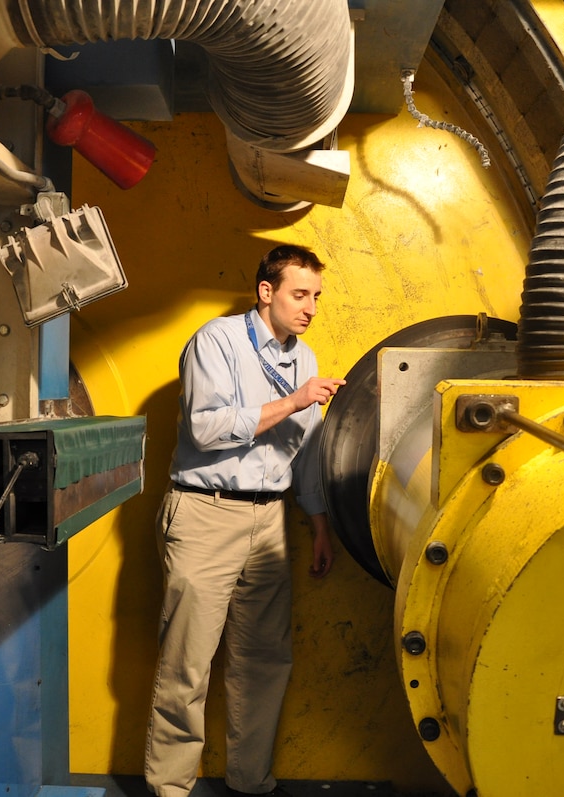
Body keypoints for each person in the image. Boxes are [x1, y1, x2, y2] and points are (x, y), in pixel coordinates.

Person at [145, 244, 346, 797]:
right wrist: (296, 400)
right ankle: (170, 790)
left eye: (316, 297)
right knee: (188, 663)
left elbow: (303, 453)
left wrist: (319, 524)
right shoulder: (216, 340)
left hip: (272, 522)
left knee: (264, 660)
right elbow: (206, 429)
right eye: (299, 295)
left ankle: (250, 781)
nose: (310, 308)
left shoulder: (303, 358)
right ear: (267, 292)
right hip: (205, 515)